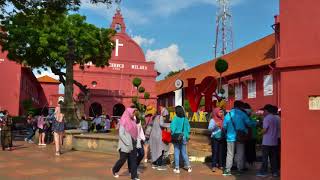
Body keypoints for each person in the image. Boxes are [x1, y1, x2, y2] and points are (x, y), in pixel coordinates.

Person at [222, 101, 256, 176]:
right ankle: (239, 170)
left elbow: (224, 126)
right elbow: (249, 123)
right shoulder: (242, 114)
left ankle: (227, 170)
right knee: (240, 153)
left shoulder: (228, 114)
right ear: (240, 106)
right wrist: (256, 123)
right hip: (240, 137)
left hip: (230, 137)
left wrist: (226, 134)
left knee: (230, 154)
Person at [112, 108, 139, 180]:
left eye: (134, 113)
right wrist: (127, 143)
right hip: (125, 144)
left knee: (133, 160)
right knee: (122, 159)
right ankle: (114, 170)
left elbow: (135, 132)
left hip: (133, 143)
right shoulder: (123, 121)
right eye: (133, 113)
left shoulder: (133, 120)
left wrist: (137, 141)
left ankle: (134, 176)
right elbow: (121, 134)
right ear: (128, 112)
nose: (133, 114)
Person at [256, 104, 280, 177]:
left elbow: (265, 130)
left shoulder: (267, 118)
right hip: (274, 141)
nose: (263, 112)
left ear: (267, 111)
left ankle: (264, 172)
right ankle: (275, 172)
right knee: (273, 158)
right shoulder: (276, 118)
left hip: (266, 142)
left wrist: (259, 133)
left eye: (264, 111)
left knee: (265, 158)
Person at [170, 105, 192, 174]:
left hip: (177, 137)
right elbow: (188, 129)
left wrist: (172, 133)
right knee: (184, 153)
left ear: (176, 111)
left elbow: (172, 128)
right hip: (184, 137)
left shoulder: (175, 119)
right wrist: (187, 136)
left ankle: (177, 168)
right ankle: (189, 167)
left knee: (176, 152)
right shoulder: (185, 119)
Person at [208, 107, 226, 173]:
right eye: (220, 112)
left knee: (221, 151)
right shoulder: (213, 120)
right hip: (215, 138)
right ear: (216, 112)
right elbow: (209, 128)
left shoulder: (223, 119)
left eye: (222, 112)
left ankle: (221, 164)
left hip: (222, 137)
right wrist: (215, 125)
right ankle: (213, 166)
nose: (221, 113)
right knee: (215, 152)